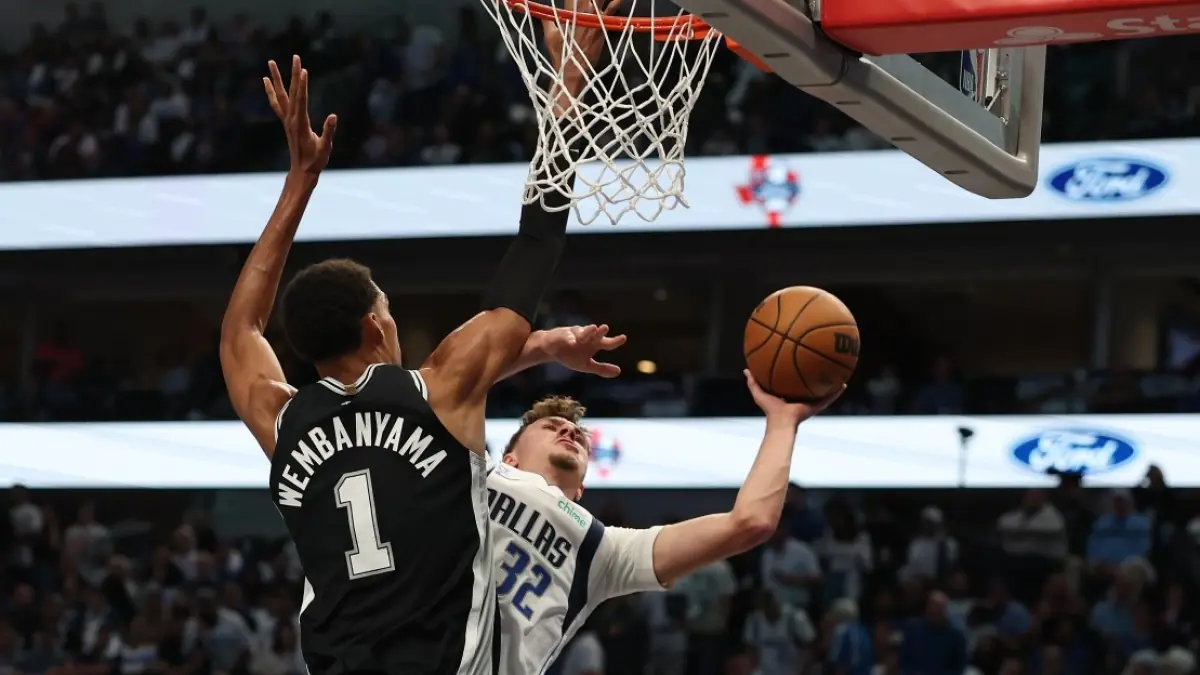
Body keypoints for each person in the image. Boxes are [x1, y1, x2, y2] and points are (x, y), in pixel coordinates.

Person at [218, 41, 602, 675]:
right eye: (389, 310)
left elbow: (240, 330)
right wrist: (566, 94)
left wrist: (299, 181)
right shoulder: (440, 390)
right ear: (375, 325)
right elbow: (537, 241)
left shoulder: (283, 422)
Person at [487, 369, 841, 675]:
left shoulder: (603, 548)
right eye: (551, 427)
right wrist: (537, 347)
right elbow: (460, 380)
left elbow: (750, 522)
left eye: (578, 436)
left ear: (581, 488)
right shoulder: (482, 475)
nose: (569, 431)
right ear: (510, 459)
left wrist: (783, 423)